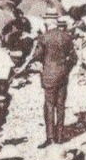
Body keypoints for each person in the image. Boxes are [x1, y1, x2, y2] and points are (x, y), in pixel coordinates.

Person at [27, 14, 77, 144]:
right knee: (60, 106)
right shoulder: (66, 36)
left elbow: (36, 56)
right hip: (63, 75)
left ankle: (50, 138)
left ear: (46, 23)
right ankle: (60, 136)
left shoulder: (43, 38)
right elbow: (74, 58)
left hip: (49, 76)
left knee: (49, 106)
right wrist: (66, 70)